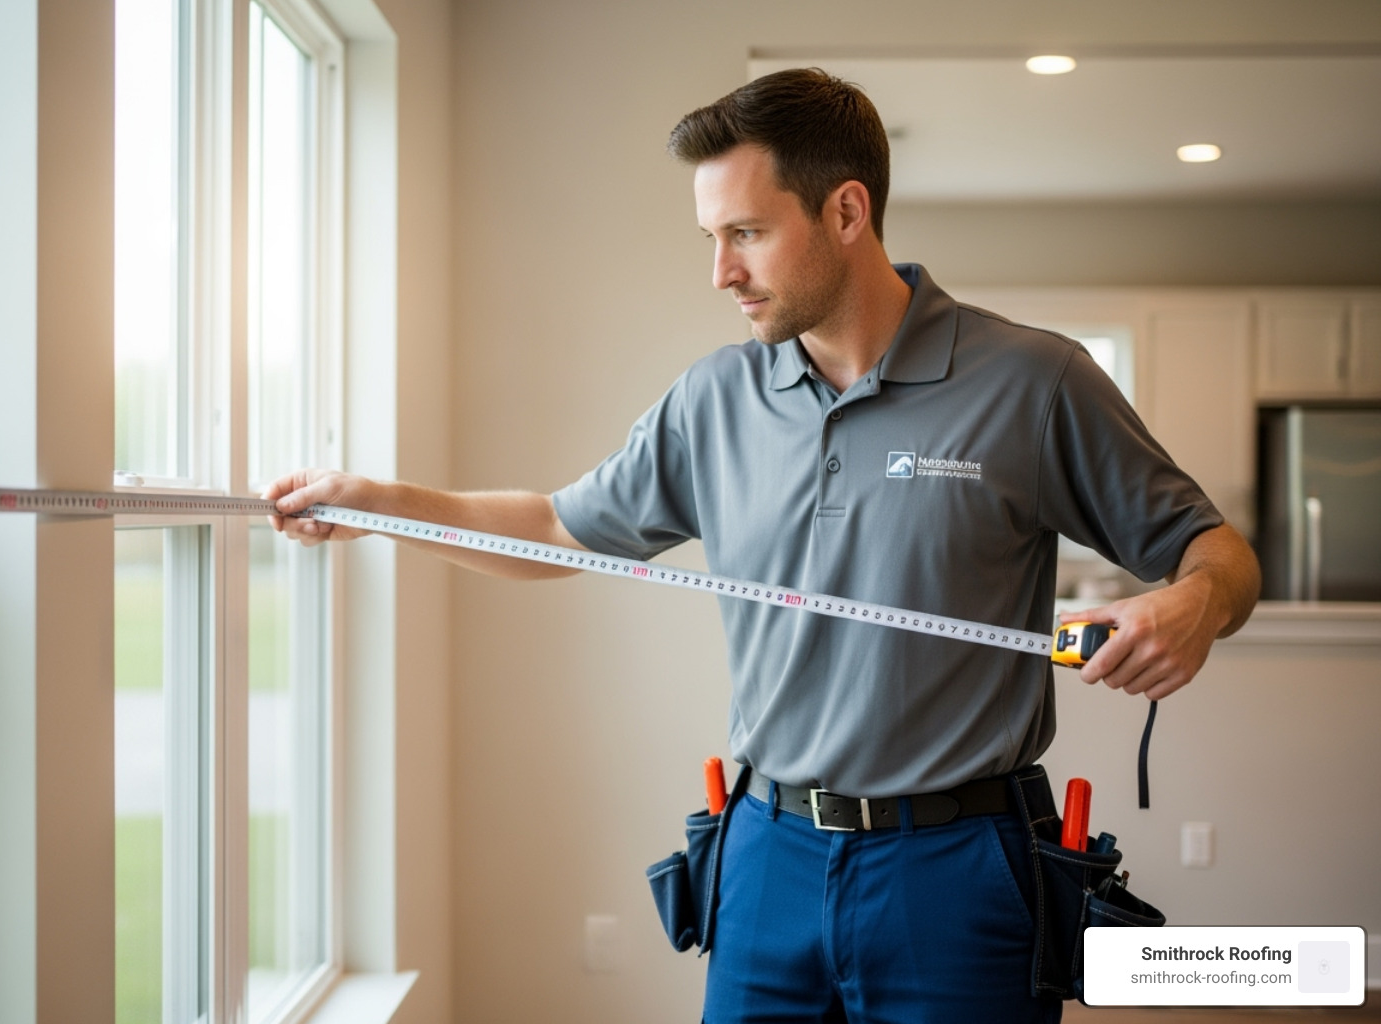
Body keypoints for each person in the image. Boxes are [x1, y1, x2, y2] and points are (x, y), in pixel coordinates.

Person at [265, 68, 1261, 1024]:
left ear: (846, 211)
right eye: (711, 236)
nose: (720, 272)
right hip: (764, 854)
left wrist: (1190, 606)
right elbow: (558, 527)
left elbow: (1219, 553)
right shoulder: (716, 399)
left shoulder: (1033, 382)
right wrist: (380, 504)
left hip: (958, 870)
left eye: (745, 232)